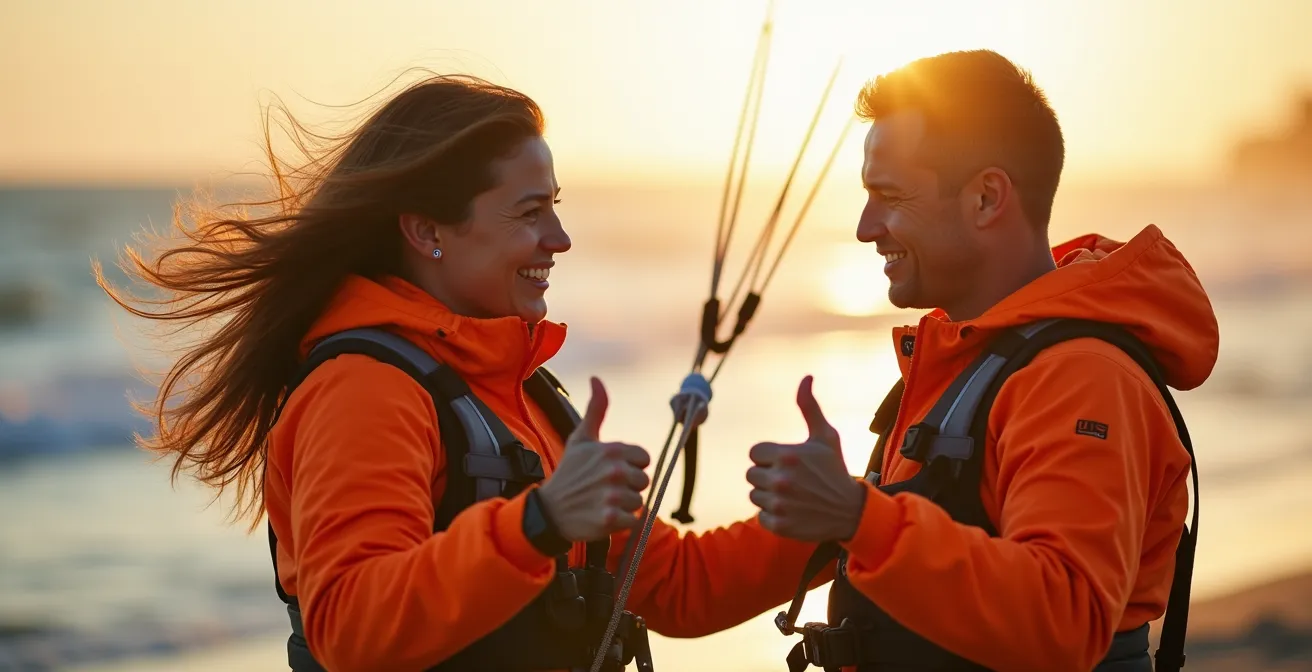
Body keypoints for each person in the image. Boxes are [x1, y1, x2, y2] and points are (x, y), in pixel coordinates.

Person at [97, 73, 828, 672]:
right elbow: (351, 626)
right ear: (425, 230)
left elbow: (678, 587)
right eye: (529, 212)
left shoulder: (518, 394)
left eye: (557, 208)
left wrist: (859, 516)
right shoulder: (364, 389)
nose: (560, 238)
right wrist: (538, 523)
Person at [744, 50, 1215, 671]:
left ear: (988, 198)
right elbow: (690, 588)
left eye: (888, 196)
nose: (864, 227)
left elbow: (1062, 620)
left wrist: (858, 517)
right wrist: (586, 515)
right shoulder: (963, 364)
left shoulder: (1082, 377)